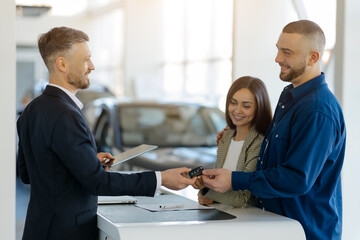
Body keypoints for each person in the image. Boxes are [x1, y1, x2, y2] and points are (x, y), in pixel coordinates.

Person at [17, 27, 196, 240]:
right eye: (86, 60)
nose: (92, 67)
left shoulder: (32, 109)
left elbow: (29, 173)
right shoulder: (67, 114)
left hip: (39, 229)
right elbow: (98, 183)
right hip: (66, 232)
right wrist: (161, 178)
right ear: (62, 64)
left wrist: (86, 162)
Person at [202, 20, 346, 240]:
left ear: (313, 57)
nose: (278, 58)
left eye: (286, 52)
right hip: (276, 226)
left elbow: (297, 178)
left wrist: (234, 180)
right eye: (278, 50)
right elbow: (274, 150)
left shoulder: (317, 110)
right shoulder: (289, 97)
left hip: (305, 231)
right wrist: (238, 132)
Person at [192, 76, 272, 207]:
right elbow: (217, 185)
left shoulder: (259, 142)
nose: (237, 110)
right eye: (233, 102)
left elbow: (243, 198)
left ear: (259, 108)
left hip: (247, 221)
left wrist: (207, 191)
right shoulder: (226, 137)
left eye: (246, 106)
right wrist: (204, 184)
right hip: (224, 217)